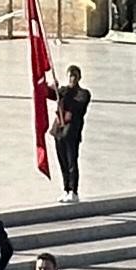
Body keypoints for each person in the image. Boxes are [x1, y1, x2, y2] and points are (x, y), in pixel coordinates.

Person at [49, 64, 89, 196]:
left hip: (72, 133)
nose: (72, 78)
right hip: (59, 132)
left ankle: (73, 190)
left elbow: (77, 105)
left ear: (79, 77)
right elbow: (50, 94)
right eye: (70, 75)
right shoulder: (63, 90)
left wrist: (64, 93)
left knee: (72, 162)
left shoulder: (83, 93)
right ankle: (65, 189)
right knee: (62, 162)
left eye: (75, 76)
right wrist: (50, 87)